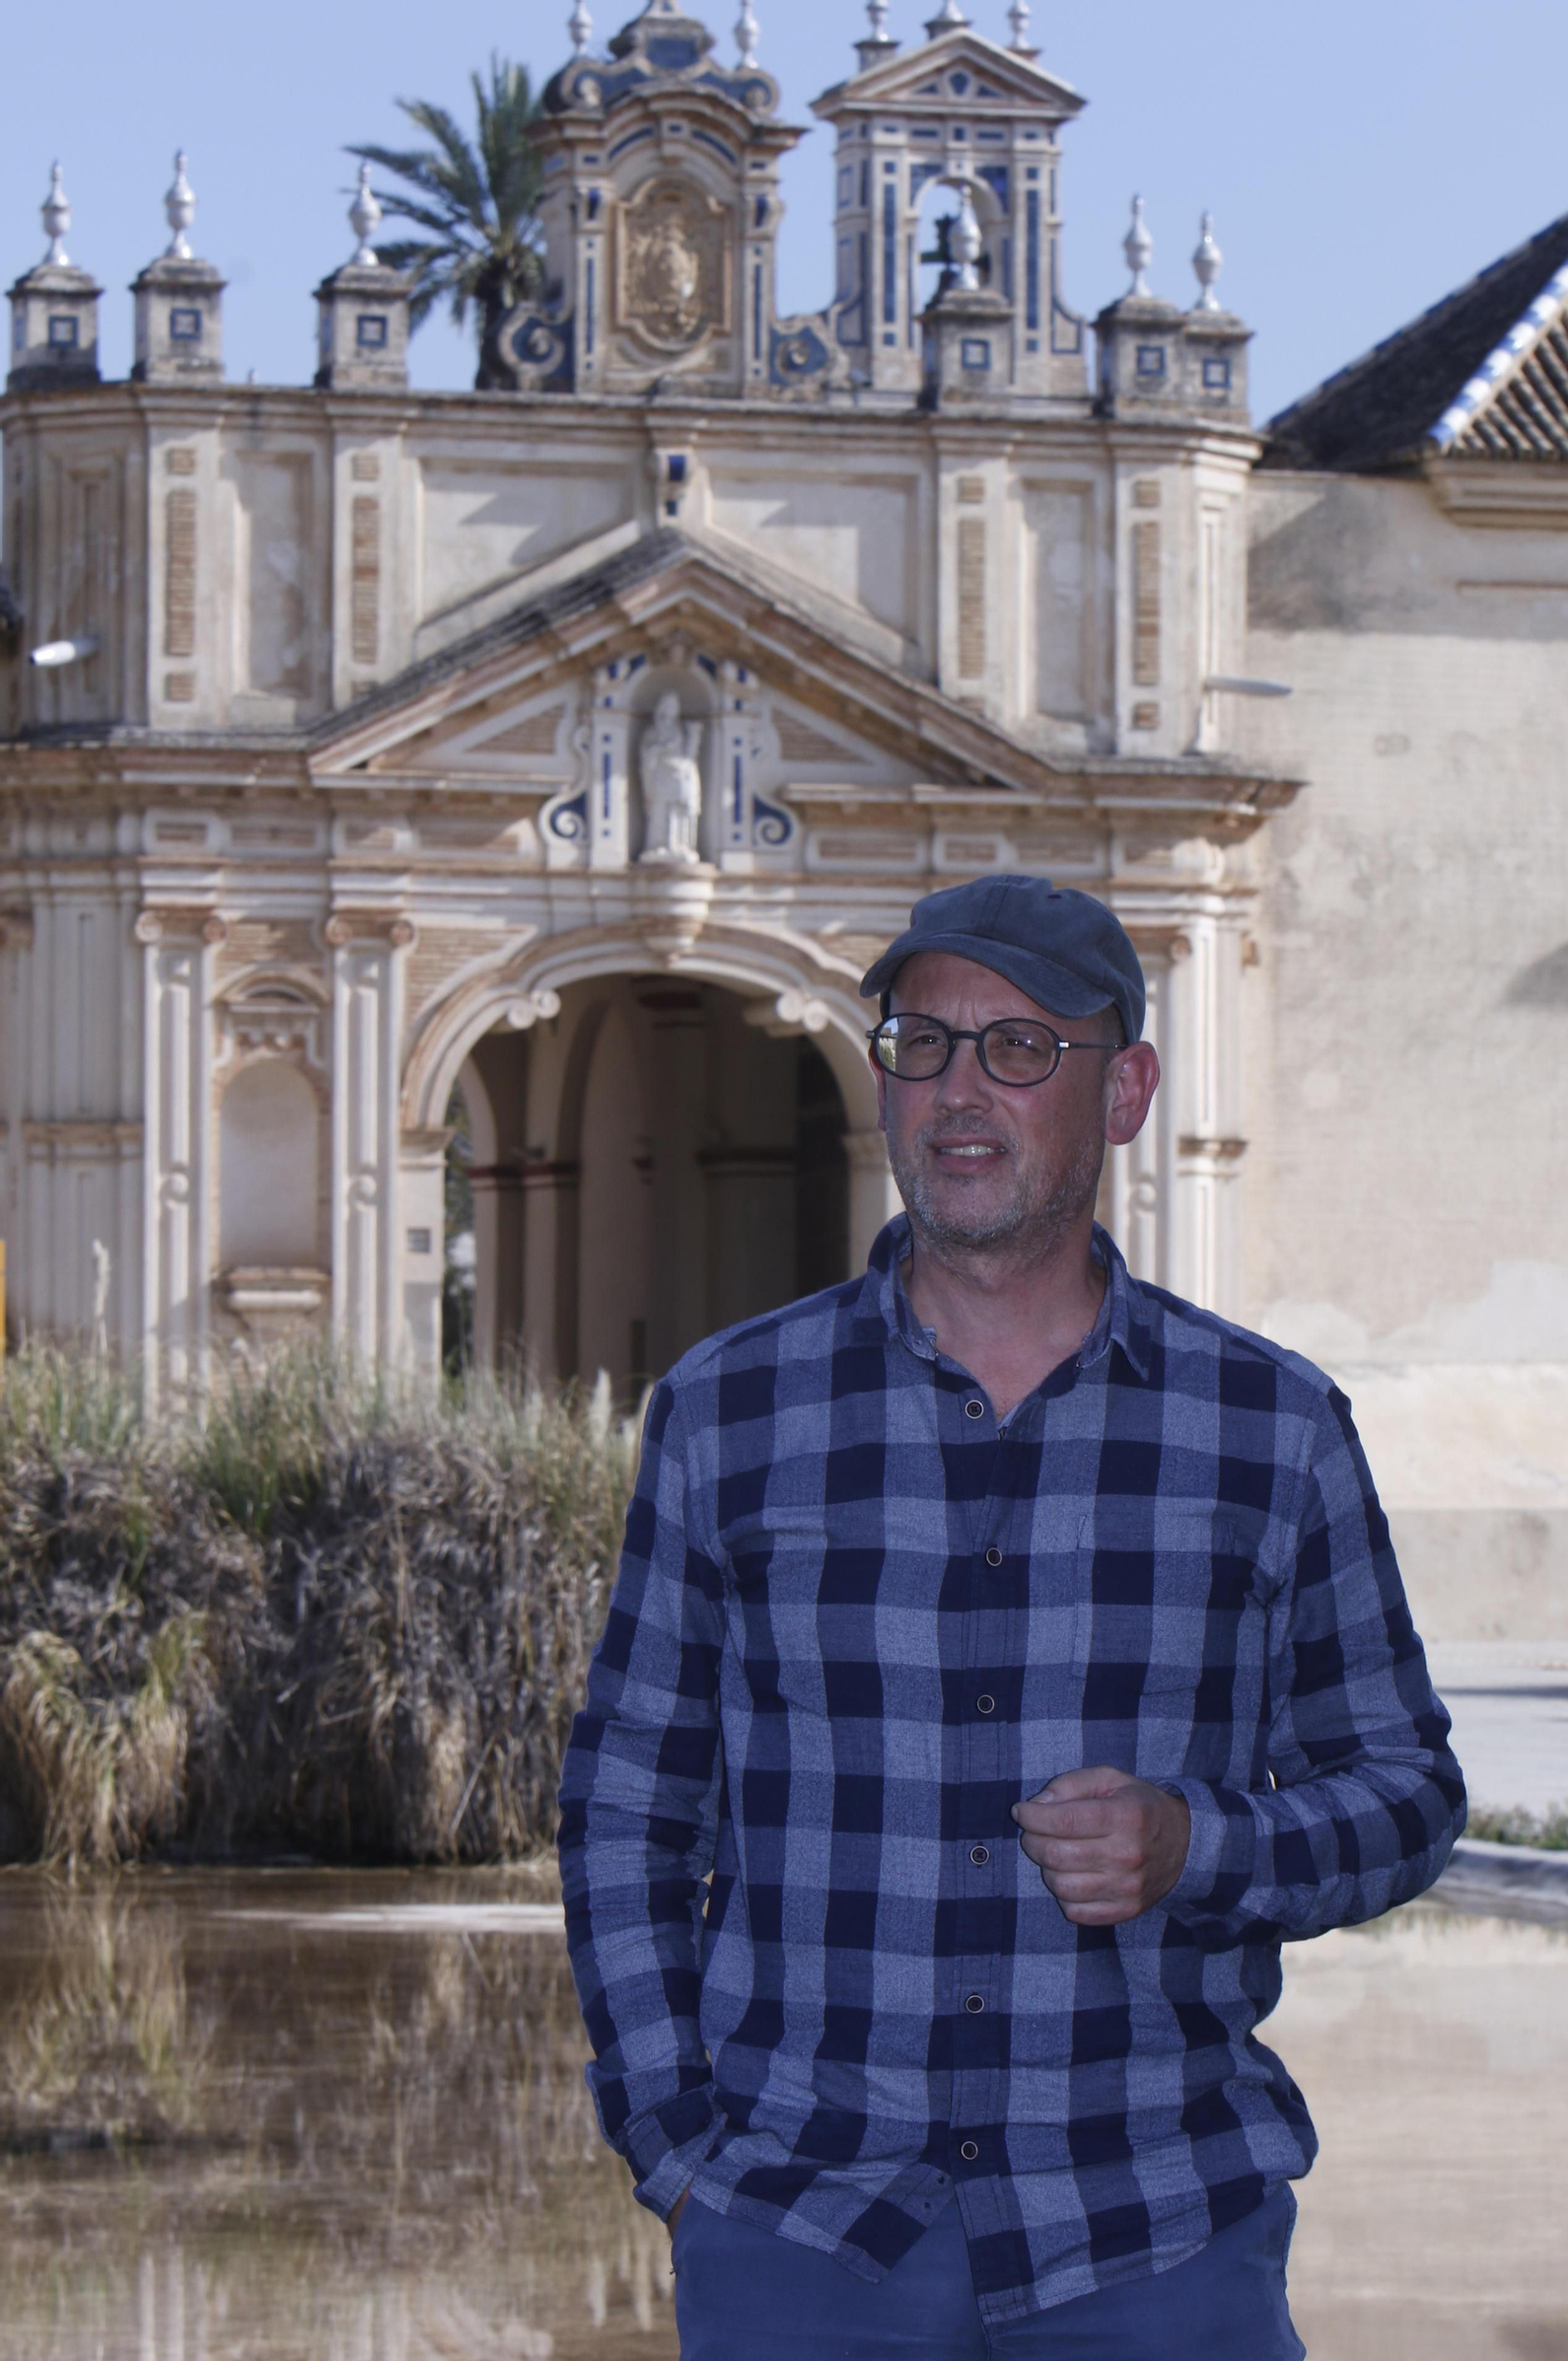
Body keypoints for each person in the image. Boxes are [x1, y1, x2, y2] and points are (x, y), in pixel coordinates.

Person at [557, 875, 1465, 2359]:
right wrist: (678, 2146)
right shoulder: (728, 1415)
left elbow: (1410, 1790)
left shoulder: (1271, 1428)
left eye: (1022, 1047)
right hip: (803, 2241)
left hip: (1160, 2237)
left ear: (1127, 1092)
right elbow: (625, 1809)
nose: (960, 1089)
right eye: (923, 1043)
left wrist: (1199, 1844)